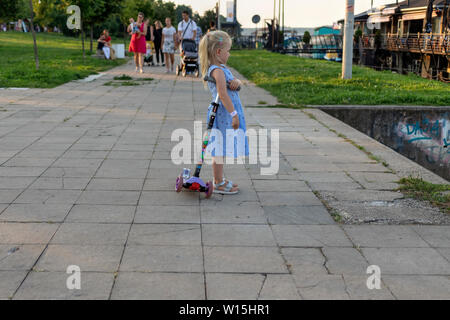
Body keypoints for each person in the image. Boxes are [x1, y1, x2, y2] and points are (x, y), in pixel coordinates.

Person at [199, 31, 248, 195]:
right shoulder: (217, 71)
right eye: (228, 50)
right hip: (222, 114)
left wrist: (237, 81)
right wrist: (234, 114)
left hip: (224, 113)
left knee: (222, 147)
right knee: (218, 148)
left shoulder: (222, 68)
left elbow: (234, 82)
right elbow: (223, 93)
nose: (229, 53)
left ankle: (219, 179)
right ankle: (218, 182)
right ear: (218, 52)